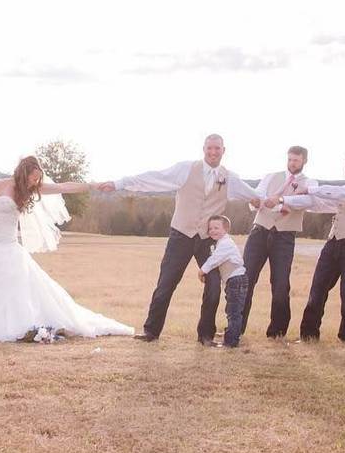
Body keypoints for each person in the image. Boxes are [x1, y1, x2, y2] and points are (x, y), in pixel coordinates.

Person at [0, 156, 133, 342]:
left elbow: (63, 187)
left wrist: (92, 185)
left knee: (19, 275)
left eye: (37, 179)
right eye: (33, 178)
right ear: (23, 173)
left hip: (9, 241)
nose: (35, 182)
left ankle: (13, 319)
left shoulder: (32, 189)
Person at [99, 134, 261, 346]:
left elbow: (254, 195)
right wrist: (119, 183)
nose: (213, 152)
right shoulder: (186, 168)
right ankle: (151, 331)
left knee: (213, 286)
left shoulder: (230, 177)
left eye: (217, 149)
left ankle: (205, 335)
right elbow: (154, 178)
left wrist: (272, 203)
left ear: (224, 150)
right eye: (209, 148)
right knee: (166, 283)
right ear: (203, 149)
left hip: (208, 239)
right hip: (181, 235)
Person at [282, 153, 345, 343]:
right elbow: (321, 204)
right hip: (333, 243)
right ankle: (309, 335)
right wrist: (284, 201)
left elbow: (338, 193)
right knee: (317, 288)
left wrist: (310, 188)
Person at [240, 145, 317, 339]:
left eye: (296, 160)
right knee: (245, 279)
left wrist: (282, 200)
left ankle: (277, 331)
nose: (292, 163)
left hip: (284, 236)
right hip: (259, 232)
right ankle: (236, 326)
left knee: (281, 284)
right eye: (290, 159)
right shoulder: (271, 176)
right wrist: (254, 202)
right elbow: (257, 195)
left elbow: (308, 202)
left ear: (304, 161)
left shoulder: (310, 182)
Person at [197, 215, 248, 348]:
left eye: (216, 228)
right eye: (210, 228)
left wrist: (202, 271)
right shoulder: (221, 243)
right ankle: (231, 336)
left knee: (234, 312)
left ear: (226, 229)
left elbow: (215, 260)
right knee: (231, 310)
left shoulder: (226, 243)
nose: (213, 231)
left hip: (237, 280)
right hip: (233, 281)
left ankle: (231, 341)